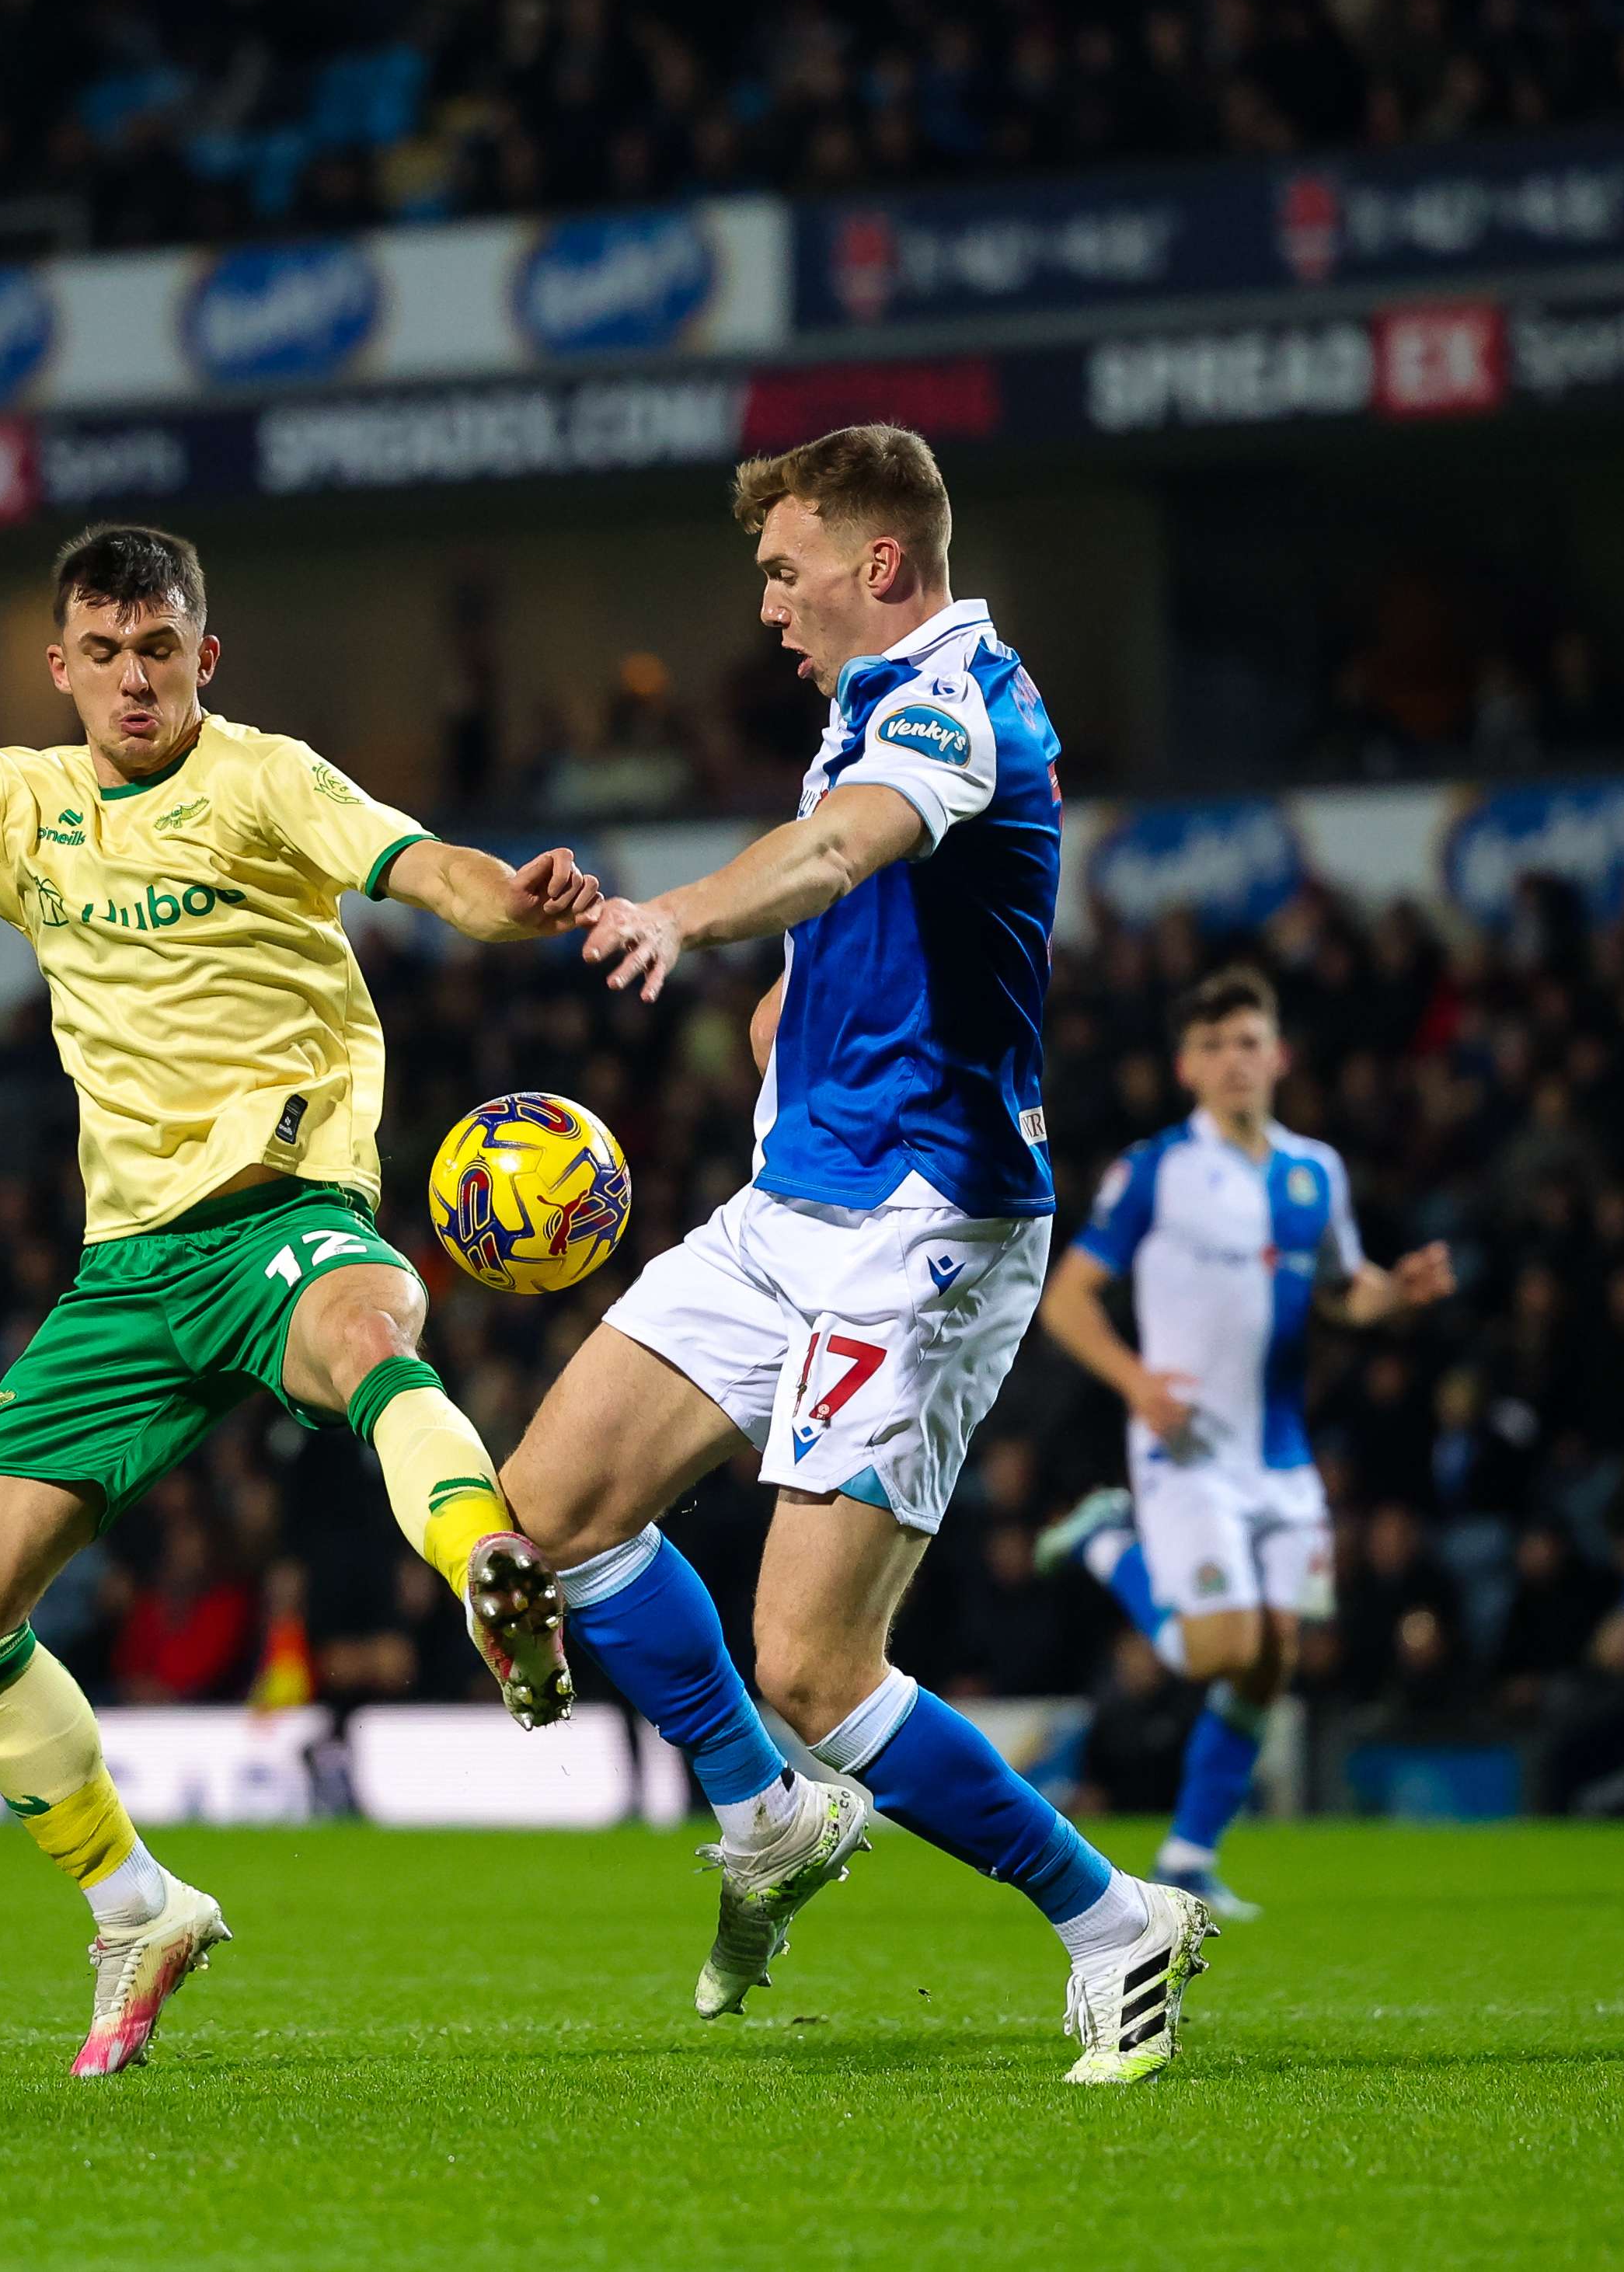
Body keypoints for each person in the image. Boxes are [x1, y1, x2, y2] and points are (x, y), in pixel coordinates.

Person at [0, 522, 600, 2077]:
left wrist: (519, 901)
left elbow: (424, 870)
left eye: (162, 650)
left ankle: (497, 1580)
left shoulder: (267, 780)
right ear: (61, 665)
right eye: (107, 652)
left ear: (203, 660)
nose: (136, 677)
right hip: (125, 1270)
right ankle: (136, 1903)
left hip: (281, 1204)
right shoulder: (22, 807)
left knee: (364, 1336)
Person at [496, 423, 1214, 2086]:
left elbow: (837, 852)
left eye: (783, 567)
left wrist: (680, 914)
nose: (765, 601)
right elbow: (862, 900)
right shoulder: (864, 710)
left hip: (925, 1228)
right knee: (557, 1505)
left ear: (878, 563)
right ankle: (767, 1817)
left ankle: (1114, 1921)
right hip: (794, 1200)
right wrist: (797, 1003)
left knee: (814, 1663)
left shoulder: (963, 696)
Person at [1028, 964, 1455, 1918]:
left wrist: (1396, 1294)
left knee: (1275, 1656)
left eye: (1249, 1041)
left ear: (1280, 1055)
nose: (1234, 1060)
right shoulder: (1156, 1170)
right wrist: (1138, 1382)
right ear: (1186, 1065)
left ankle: (1188, 1854)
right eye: (1214, 1045)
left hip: (1283, 1458)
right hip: (1184, 1451)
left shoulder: (1317, 1172)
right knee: (1217, 1649)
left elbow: (1348, 1290)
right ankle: (1106, 1539)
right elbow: (1068, 1302)